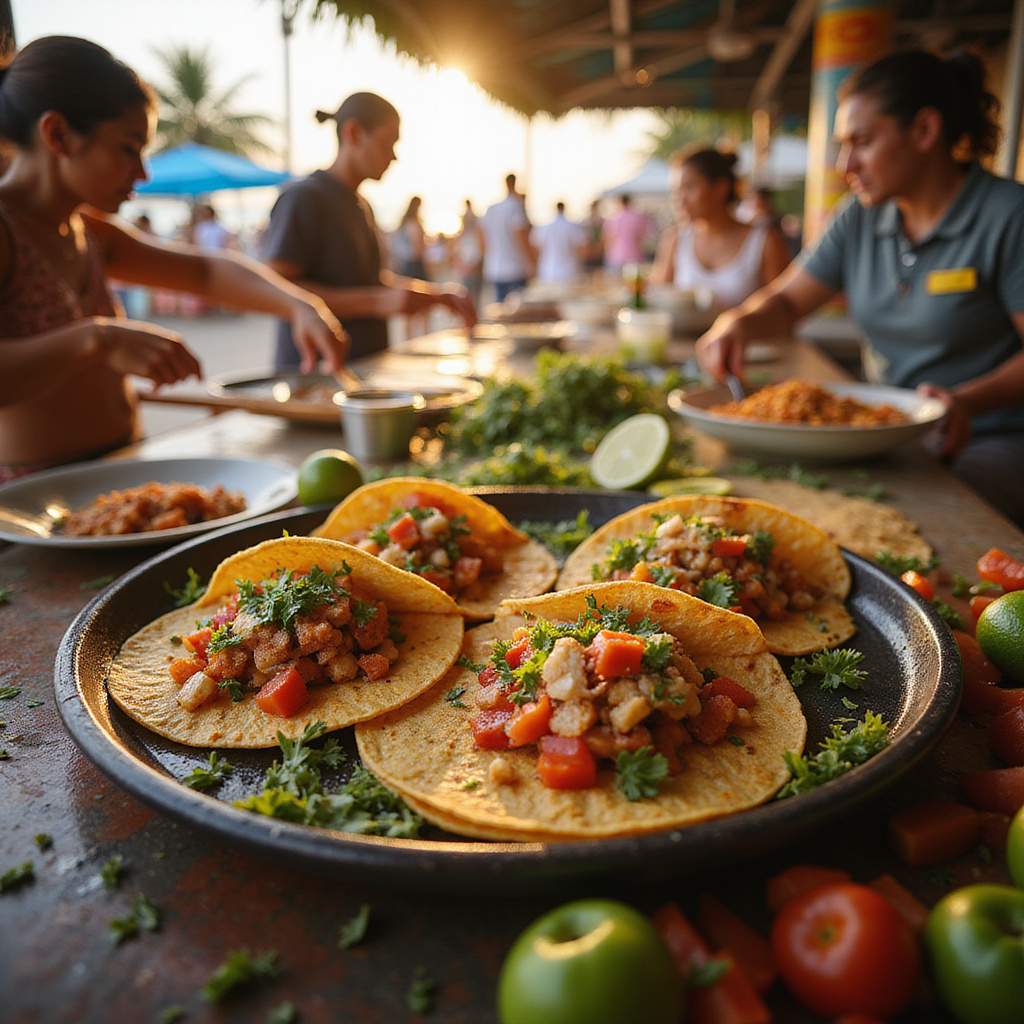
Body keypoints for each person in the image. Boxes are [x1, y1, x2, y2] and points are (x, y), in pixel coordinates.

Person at [696, 48, 1024, 527]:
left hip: (987, 436)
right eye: (841, 145)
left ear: (925, 130)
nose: (844, 164)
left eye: (862, 142)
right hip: (886, 435)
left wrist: (966, 402)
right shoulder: (859, 216)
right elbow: (787, 301)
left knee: (909, 525)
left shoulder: (1009, 216)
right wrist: (738, 322)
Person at [0, 35, 348, 480]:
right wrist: (98, 340)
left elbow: (203, 271)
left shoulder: (88, 230)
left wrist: (299, 305)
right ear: (58, 135)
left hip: (118, 472)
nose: (142, 173)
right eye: (129, 149)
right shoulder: (7, 230)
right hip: (33, 497)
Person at [261, 92, 476, 368]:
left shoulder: (362, 205)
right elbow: (277, 288)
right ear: (353, 133)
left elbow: (367, 281)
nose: (394, 156)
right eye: (388, 142)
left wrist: (435, 295)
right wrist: (375, 302)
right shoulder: (304, 198)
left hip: (365, 366)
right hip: (315, 373)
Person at [649, 147, 791, 308]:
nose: (680, 200)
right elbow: (658, 301)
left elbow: (782, 308)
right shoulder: (675, 239)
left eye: (689, 188)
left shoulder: (764, 242)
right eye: (676, 191)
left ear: (721, 187)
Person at [480, 172, 533, 302]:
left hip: (495, 269)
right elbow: (520, 235)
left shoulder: (492, 209)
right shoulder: (515, 206)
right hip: (515, 269)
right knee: (516, 308)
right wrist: (531, 262)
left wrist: (487, 255)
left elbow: (480, 234)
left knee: (501, 306)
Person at [530, 201, 588, 283]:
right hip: (570, 272)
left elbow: (535, 248)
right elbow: (584, 249)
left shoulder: (544, 228)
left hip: (547, 272)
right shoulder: (573, 226)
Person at [601, 193, 652, 273]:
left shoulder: (613, 218)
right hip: (634, 256)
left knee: (615, 280)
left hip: (616, 257)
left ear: (620, 202)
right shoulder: (638, 217)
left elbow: (607, 239)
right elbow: (642, 237)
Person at [452, 198, 484, 303]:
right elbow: (455, 253)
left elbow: (482, 251)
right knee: (465, 299)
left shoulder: (477, 234)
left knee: (474, 299)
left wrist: (474, 267)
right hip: (465, 272)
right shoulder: (461, 236)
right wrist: (462, 267)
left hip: (474, 271)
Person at [389, 195, 427, 279]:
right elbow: (417, 247)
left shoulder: (405, 224)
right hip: (413, 264)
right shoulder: (412, 224)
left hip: (405, 262)